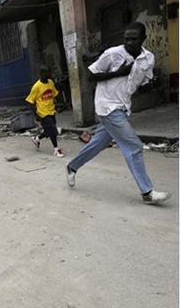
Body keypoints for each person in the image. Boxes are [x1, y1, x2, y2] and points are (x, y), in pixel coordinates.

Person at [66, 22, 170, 205]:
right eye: (126, 38)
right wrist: (118, 73)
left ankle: (72, 166)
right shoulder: (113, 54)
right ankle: (147, 193)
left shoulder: (148, 59)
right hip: (107, 106)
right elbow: (91, 75)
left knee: (98, 143)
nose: (129, 42)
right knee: (134, 146)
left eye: (134, 39)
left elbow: (142, 85)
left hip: (123, 106)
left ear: (143, 39)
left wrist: (152, 85)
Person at [26, 66, 64, 157]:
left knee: (49, 130)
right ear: (41, 74)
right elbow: (29, 101)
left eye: (49, 72)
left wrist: (59, 103)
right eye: (47, 73)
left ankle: (36, 138)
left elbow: (55, 93)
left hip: (51, 110)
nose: (49, 74)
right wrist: (35, 114)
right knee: (53, 130)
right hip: (42, 112)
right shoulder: (36, 86)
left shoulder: (50, 82)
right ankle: (56, 149)